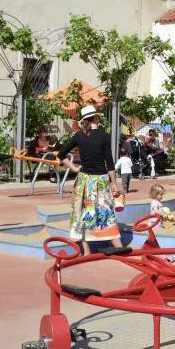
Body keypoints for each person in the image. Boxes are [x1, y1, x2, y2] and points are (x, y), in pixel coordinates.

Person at [58, 105, 123, 254]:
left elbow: (61, 154)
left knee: (82, 214)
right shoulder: (104, 135)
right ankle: (118, 245)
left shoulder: (79, 135)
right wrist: (114, 184)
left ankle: (86, 251)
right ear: (96, 117)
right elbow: (110, 162)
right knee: (106, 212)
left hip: (83, 181)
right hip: (100, 181)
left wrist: (74, 168)